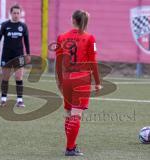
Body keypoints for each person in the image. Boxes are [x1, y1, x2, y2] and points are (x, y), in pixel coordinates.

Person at [55, 10, 102, 156]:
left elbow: (58, 61)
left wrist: (59, 80)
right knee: (76, 115)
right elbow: (93, 61)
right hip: (81, 79)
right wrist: (97, 81)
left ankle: (71, 145)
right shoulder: (90, 38)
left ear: (72, 20)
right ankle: (70, 149)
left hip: (67, 78)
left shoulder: (61, 37)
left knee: (69, 113)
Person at [0, 4, 31, 107]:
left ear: (20, 14)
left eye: (18, 13)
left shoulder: (23, 26)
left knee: (19, 77)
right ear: (10, 13)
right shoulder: (5, 25)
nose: (16, 15)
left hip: (19, 55)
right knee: (5, 77)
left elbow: (26, 41)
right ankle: (3, 99)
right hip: (6, 55)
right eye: (14, 13)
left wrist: (28, 54)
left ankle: (20, 100)